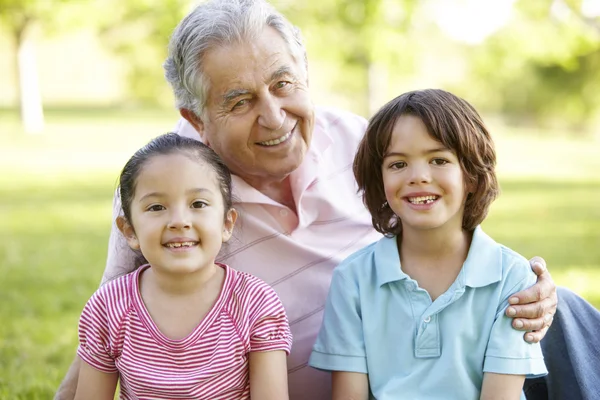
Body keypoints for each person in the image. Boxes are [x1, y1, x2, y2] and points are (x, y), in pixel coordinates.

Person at [56, 1, 570, 399]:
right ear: (197, 120)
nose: (275, 117)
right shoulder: (170, 192)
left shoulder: (362, 143)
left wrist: (529, 283)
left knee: (566, 314)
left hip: (431, 368)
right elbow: (106, 328)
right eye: (239, 101)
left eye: (284, 85)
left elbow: (444, 230)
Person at [309, 89, 548, 399]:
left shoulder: (512, 279)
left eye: (438, 160)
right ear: (380, 182)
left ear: (472, 177)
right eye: (397, 165)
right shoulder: (352, 279)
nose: (418, 176)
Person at [73, 133, 292, 400]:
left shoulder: (253, 302)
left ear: (227, 223)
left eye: (198, 204)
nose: (179, 221)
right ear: (129, 230)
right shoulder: (108, 307)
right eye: (156, 207)